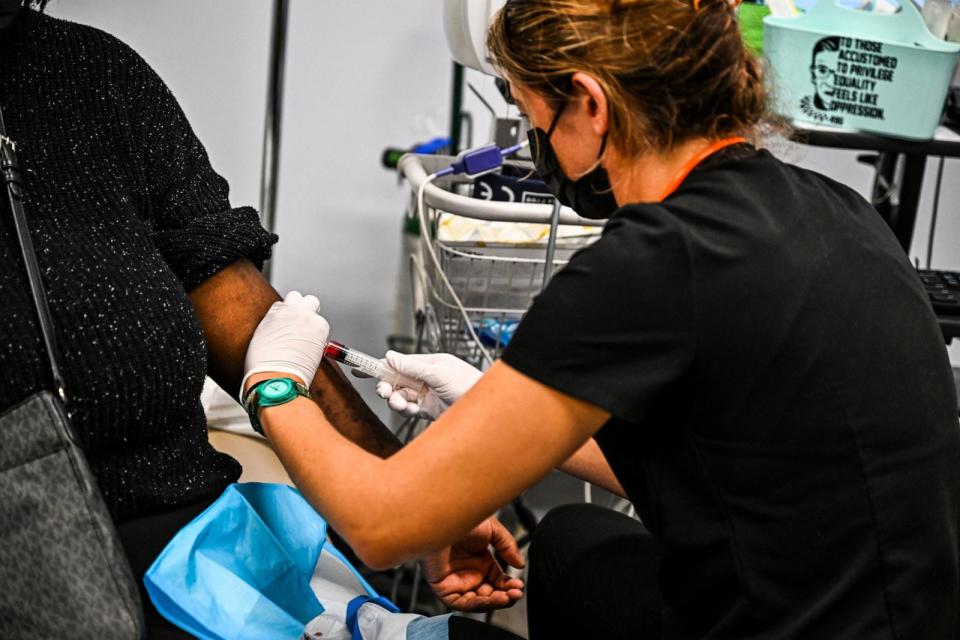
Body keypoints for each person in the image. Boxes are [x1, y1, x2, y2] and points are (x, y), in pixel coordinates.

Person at [237, 0, 960, 638]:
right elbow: (723, 462)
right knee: (570, 543)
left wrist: (273, 382)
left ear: (590, 103)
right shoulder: (838, 211)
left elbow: (382, 525)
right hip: (903, 612)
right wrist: (486, 401)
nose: (533, 144)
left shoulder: (654, 260)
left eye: (532, 116)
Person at [0, 2, 524, 637]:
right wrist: (281, 390)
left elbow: (246, 317)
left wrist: (411, 495)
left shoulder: (91, 74)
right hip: (51, 577)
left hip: (201, 552)